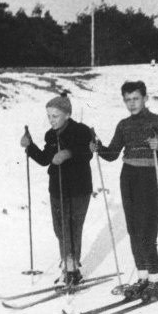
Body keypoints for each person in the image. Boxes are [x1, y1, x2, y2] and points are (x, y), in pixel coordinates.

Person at [91, 81, 158, 301]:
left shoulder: (157, 122)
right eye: (128, 99)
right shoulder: (124, 125)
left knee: (147, 229)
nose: (132, 103)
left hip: (147, 176)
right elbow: (112, 154)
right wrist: (97, 147)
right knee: (133, 228)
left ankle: (155, 279)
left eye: (136, 99)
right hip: (127, 175)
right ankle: (142, 277)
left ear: (145, 98)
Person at [20, 92, 93, 286]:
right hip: (57, 187)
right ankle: (69, 265)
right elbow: (45, 159)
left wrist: (68, 153)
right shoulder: (51, 135)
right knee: (60, 228)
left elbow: (87, 153)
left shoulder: (81, 131)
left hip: (78, 188)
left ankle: (71, 268)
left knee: (72, 227)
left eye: (55, 116)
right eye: (49, 116)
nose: (51, 120)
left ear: (67, 114)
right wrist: (29, 147)